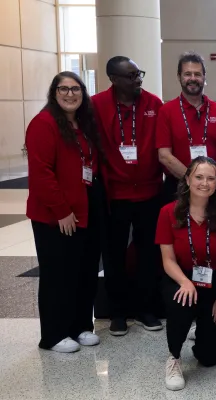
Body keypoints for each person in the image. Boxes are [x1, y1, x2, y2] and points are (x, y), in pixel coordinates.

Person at [26, 71, 106, 353]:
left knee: (84, 270)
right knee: (58, 274)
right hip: (56, 215)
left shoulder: (82, 124)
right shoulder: (44, 124)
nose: (70, 94)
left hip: (85, 209)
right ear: (54, 92)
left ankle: (81, 326)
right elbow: (41, 173)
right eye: (64, 89)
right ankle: (54, 334)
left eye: (76, 89)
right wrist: (61, 211)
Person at [92, 56, 164, 335]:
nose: (138, 80)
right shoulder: (97, 105)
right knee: (113, 255)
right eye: (131, 76)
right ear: (114, 79)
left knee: (148, 253)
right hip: (115, 194)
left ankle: (146, 309)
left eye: (139, 74)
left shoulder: (153, 104)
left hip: (149, 191)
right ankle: (118, 312)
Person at [156, 157, 216, 390]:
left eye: (211, 178)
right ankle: (174, 357)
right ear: (188, 179)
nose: (204, 183)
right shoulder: (168, 212)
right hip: (181, 276)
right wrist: (184, 281)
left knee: (210, 358)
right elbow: (168, 259)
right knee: (182, 302)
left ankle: (200, 327)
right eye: (199, 177)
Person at [156, 52, 216, 205]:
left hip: (212, 188)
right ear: (179, 76)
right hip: (177, 187)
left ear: (204, 77)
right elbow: (164, 155)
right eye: (187, 74)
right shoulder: (167, 111)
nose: (193, 78)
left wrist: (209, 179)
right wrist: (193, 180)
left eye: (197, 74)